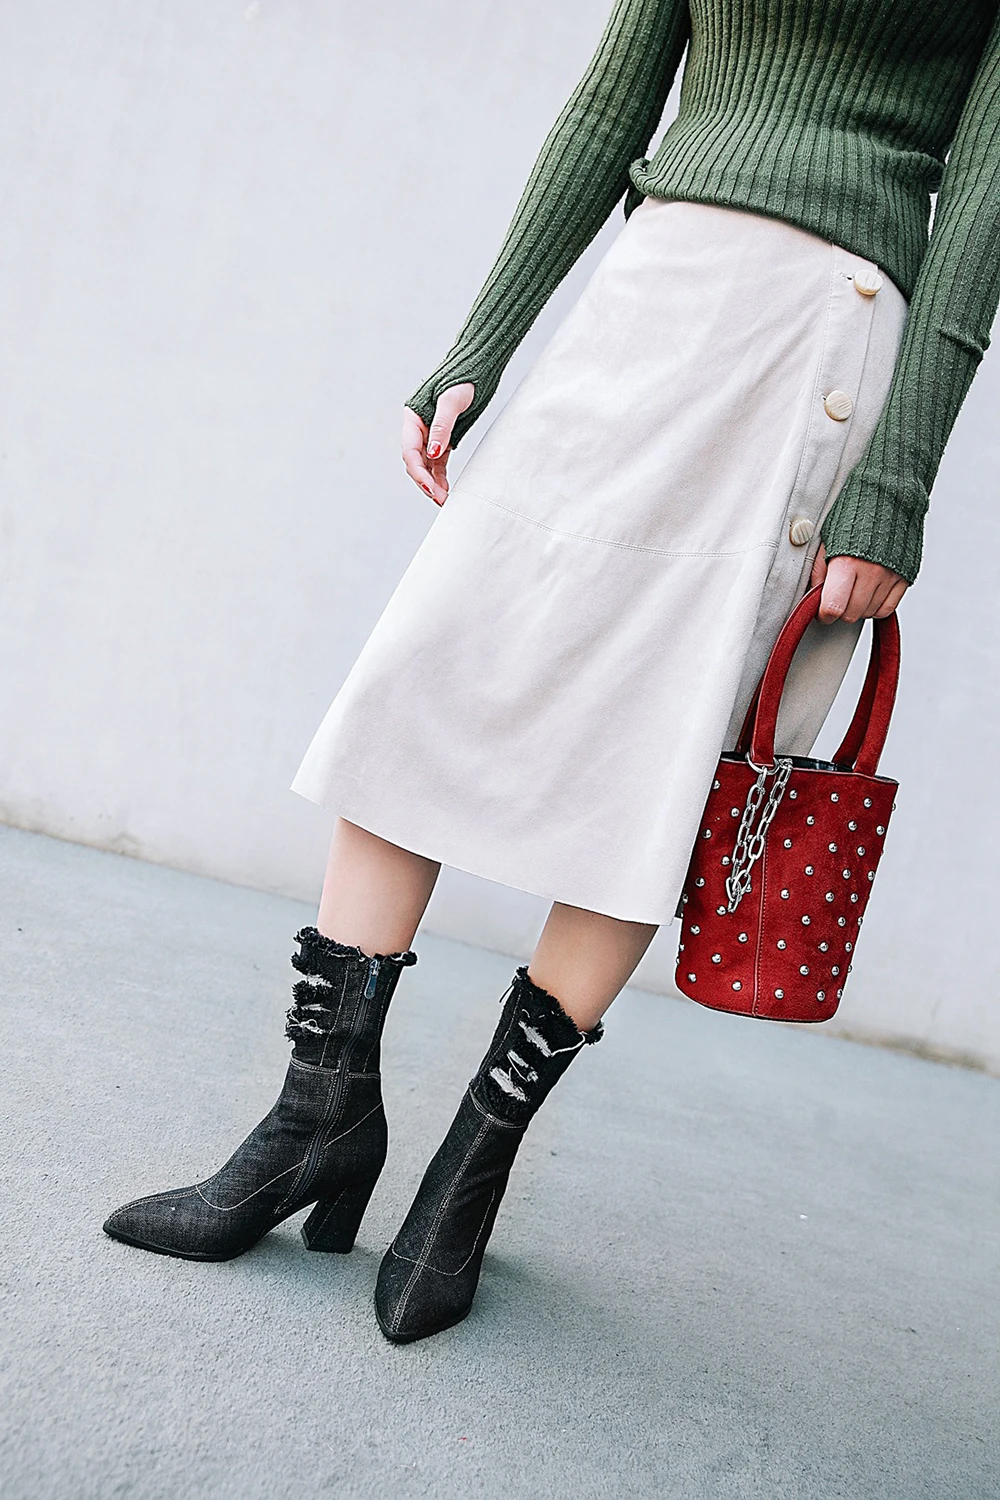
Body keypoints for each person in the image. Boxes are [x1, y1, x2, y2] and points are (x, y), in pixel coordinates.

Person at [104, 0, 1000, 1344]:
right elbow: (608, 106)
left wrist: (898, 484)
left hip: (820, 338)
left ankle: (473, 1164)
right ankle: (317, 1113)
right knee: (433, 665)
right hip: (652, 289)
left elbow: (982, 206)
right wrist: (482, 341)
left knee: (665, 753)